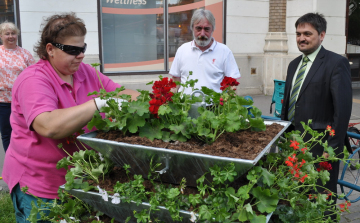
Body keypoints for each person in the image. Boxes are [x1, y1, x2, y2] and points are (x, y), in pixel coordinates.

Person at [2, 13, 139, 222]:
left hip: (81, 181)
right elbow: (49, 126)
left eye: (82, 48)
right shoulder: (33, 79)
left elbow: (121, 93)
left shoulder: (85, 72)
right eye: (73, 50)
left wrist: (152, 100)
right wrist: (97, 103)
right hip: (41, 186)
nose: (81, 55)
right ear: (50, 49)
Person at [280, 12, 352, 219]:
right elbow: (289, 104)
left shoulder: (336, 63)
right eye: (298, 33)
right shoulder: (294, 64)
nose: (301, 38)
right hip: (294, 145)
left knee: (323, 200)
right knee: (299, 196)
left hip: (321, 148)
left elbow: (343, 110)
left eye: (307, 34)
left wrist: (333, 148)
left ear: (322, 35)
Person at [170, 9, 240, 94]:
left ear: (213, 29)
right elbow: (175, 81)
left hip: (214, 107)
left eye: (206, 29)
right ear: (192, 28)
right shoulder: (182, 50)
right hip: (186, 106)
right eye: (198, 28)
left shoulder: (224, 51)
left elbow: (232, 84)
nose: (202, 34)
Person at [0, 21, 35, 152]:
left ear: (17, 35)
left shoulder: (24, 54)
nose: (10, 36)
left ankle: (25, 157)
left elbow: (34, 75)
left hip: (22, 100)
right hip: (2, 101)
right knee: (6, 133)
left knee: (25, 131)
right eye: (7, 33)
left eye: (13, 33)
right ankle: (11, 159)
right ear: (1, 36)